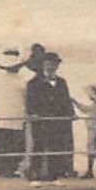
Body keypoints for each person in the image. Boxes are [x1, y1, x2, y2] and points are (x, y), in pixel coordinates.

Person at [24, 51, 76, 182]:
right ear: (42, 65)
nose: (50, 67)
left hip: (57, 122)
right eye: (47, 64)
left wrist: (71, 113)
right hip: (40, 121)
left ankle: (53, 177)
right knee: (38, 147)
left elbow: (66, 100)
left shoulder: (62, 82)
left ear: (57, 66)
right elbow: (29, 102)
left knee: (56, 148)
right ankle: (34, 178)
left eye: (53, 64)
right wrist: (32, 114)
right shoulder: (33, 83)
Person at [0, 48, 28, 179]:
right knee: (3, 144)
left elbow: (27, 98)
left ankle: (11, 169)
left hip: (18, 116)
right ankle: (3, 169)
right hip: (2, 116)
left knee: (15, 144)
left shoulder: (23, 80)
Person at [71, 84, 96, 180]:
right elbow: (86, 109)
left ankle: (90, 171)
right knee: (92, 150)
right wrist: (76, 103)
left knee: (91, 150)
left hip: (95, 130)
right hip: (93, 130)